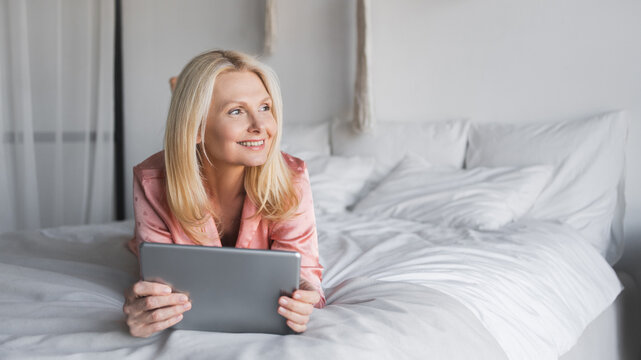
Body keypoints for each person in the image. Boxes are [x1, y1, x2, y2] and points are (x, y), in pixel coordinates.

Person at [122, 50, 325, 338]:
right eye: (236, 111)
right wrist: (146, 309)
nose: (261, 127)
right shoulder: (153, 181)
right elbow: (159, 286)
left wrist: (305, 297)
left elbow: (306, 274)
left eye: (265, 107)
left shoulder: (292, 178)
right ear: (195, 128)